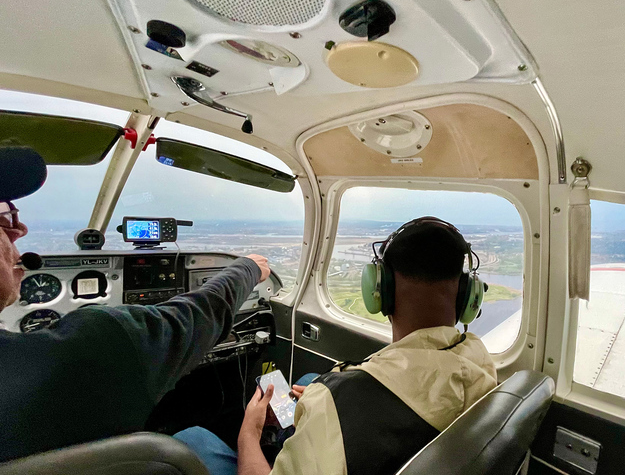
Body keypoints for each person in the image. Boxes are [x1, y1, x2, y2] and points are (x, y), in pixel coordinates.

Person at [0, 146, 271, 462]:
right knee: (193, 435)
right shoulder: (95, 342)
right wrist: (248, 267)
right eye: (5, 219)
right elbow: (195, 317)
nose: (19, 230)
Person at [178, 216, 498, 475]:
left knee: (191, 439)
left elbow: (354, 406)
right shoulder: (479, 361)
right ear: (468, 296)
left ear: (378, 290)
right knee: (307, 384)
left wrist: (249, 430)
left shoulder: (334, 400)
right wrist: (323, 396)